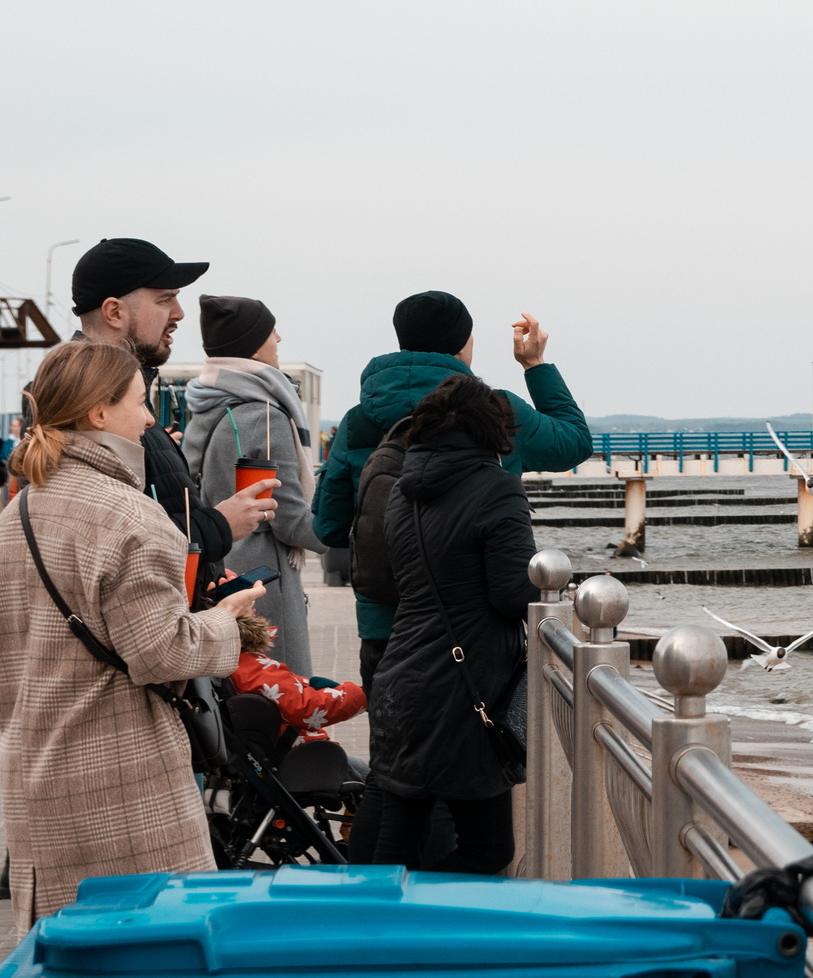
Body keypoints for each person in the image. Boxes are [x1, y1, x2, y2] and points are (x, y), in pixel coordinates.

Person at [313, 291, 587, 859]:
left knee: (399, 783)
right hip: (471, 641)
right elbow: (572, 443)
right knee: (461, 787)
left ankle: (384, 910)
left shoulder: (361, 419)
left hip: (386, 630)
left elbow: (328, 523)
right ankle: (436, 915)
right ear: (466, 344)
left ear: (399, 340)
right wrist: (536, 365)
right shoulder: (492, 410)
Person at [0, 342, 263, 929]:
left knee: (64, 952)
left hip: (33, 784)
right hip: (122, 788)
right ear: (97, 413)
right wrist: (230, 621)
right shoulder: (130, 515)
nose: (149, 420)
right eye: (141, 404)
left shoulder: (16, 514)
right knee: (153, 946)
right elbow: (163, 652)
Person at [369, 374, 537, 875]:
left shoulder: (404, 490)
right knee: (489, 850)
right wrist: (557, 581)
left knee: (397, 847)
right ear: (493, 431)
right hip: (464, 694)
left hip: (403, 678)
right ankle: (432, 932)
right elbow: (513, 594)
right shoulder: (497, 488)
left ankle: (386, 934)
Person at [65, 240, 277, 601]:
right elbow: (106, 541)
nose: (179, 313)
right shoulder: (79, 396)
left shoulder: (123, 396)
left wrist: (203, 576)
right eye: (165, 299)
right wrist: (221, 524)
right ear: (114, 312)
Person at [181, 296, 328, 673]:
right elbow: (288, 516)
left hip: (217, 566)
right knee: (280, 694)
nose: (278, 338)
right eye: (269, 331)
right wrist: (344, 536)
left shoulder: (206, 402)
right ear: (253, 342)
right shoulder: (264, 413)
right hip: (262, 576)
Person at [226, 607, 365, 739]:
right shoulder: (248, 664)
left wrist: (308, 683)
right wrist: (364, 695)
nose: (254, 606)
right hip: (296, 748)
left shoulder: (238, 656)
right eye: (247, 601)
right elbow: (306, 709)